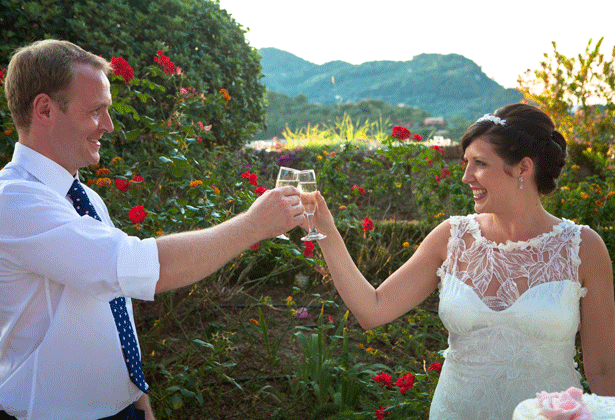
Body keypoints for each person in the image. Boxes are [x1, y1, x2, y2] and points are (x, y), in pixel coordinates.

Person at [0, 39, 305, 420]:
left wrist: (135, 394)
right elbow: (134, 266)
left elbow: (112, 302)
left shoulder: (86, 199)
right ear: (44, 109)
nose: (108, 126)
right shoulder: (12, 201)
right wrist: (253, 225)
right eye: (96, 111)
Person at [309, 103, 615, 419]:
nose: (466, 176)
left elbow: (605, 370)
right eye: (466, 163)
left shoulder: (582, 248)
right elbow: (372, 310)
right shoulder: (451, 237)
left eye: (479, 163)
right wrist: (325, 229)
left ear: (523, 167)